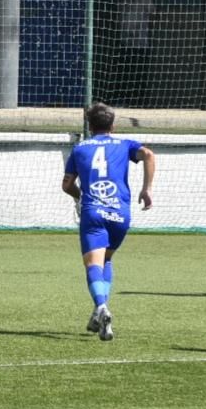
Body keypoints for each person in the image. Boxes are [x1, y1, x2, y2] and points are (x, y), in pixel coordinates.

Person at [62, 103, 155, 339]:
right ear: (112, 125)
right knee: (107, 259)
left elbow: (66, 185)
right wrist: (147, 189)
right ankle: (98, 312)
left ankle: (102, 307)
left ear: (89, 126)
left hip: (93, 213)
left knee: (93, 264)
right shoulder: (125, 145)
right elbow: (149, 155)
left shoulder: (80, 148)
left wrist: (80, 196)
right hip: (120, 214)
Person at [114, 0, 155, 106]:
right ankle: (124, 99)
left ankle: (138, 101)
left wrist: (139, 29)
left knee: (139, 73)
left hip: (140, 42)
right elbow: (118, 17)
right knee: (124, 72)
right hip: (125, 41)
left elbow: (152, 15)